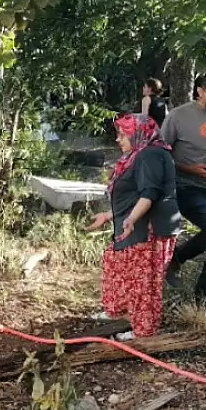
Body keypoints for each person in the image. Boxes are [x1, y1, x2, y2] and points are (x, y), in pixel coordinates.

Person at [86, 113, 182, 340]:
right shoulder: (139, 154)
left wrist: (130, 220)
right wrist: (110, 216)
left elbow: (149, 194)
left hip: (148, 228)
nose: (118, 140)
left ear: (138, 134)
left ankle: (144, 331)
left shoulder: (150, 155)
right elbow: (132, 196)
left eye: (123, 135)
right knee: (116, 264)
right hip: (134, 224)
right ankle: (120, 312)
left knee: (143, 281)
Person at [160, 67, 206, 305]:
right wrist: (190, 169)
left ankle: (201, 302)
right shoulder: (177, 117)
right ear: (199, 91)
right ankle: (176, 258)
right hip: (187, 187)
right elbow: (160, 154)